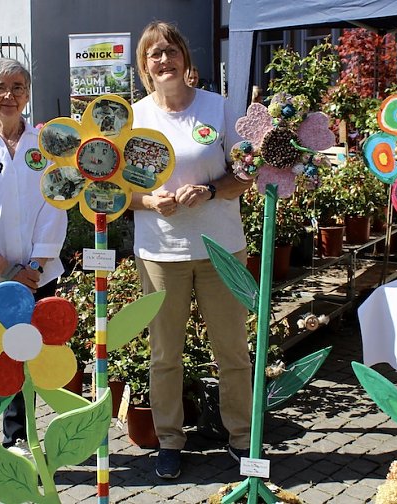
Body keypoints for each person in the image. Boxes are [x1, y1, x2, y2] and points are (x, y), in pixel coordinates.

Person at [130, 21, 254, 480]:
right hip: (160, 251)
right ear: (144, 66)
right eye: (154, 55)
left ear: (185, 57)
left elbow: (247, 173)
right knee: (165, 354)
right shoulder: (136, 118)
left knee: (233, 351)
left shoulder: (218, 108)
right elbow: (117, 190)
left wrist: (212, 190)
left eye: (171, 51)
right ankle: (169, 440)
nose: (164, 61)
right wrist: (149, 200)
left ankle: (240, 438)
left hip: (222, 247)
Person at [0, 58, 67, 498]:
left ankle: (19, 444)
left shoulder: (47, 145)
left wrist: (36, 267)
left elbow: (56, 201)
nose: (9, 95)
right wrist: (2, 268)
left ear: (27, 94)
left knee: (26, 361)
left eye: (18, 87)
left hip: (37, 276)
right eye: (0, 87)